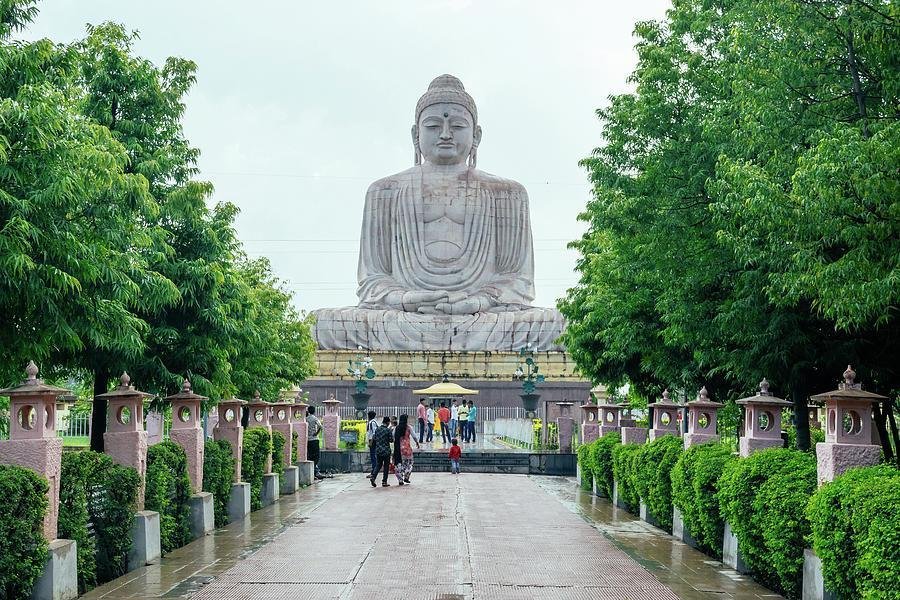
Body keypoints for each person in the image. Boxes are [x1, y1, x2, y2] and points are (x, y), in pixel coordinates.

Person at [393, 414, 420, 485]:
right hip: (407, 449)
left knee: (399, 465)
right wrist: (417, 442)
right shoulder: (409, 427)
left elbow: (392, 437)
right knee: (409, 463)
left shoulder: (396, 428)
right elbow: (414, 436)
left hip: (399, 449)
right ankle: (406, 476)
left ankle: (400, 480)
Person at [370, 416, 393, 487]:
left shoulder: (377, 429)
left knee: (378, 465)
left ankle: (373, 477)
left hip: (378, 450)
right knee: (386, 466)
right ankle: (384, 482)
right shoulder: (388, 430)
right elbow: (391, 440)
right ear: (388, 422)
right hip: (386, 451)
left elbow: (375, 438)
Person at [306, 406, 325, 480]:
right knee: (316, 457)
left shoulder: (306, 419)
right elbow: (321, 426)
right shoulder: (315, 418)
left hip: (308, 440)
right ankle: (315, 471)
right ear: (314, 411)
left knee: (310, 456)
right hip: (314, 439)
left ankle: (313, 472)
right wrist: (316, 433)